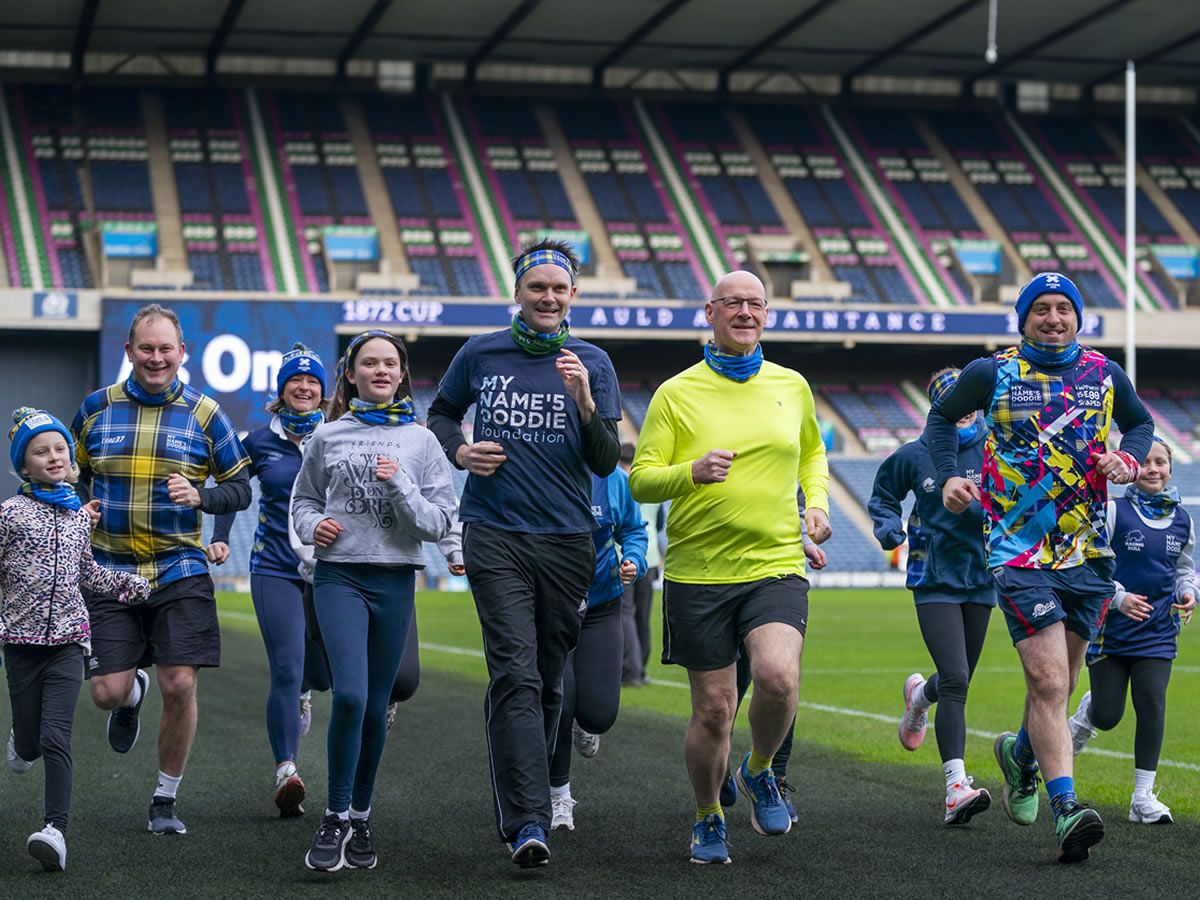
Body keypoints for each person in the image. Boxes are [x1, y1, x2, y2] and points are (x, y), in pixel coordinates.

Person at [926, 272, 1153, 863]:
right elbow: (940, 422)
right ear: (1022, 319)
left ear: (1079, 318)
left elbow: (1142, 423)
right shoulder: (992, 373)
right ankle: (1067, 808)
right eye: (1041, 310)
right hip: (1018, 550)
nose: (1053, 318)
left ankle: (1020, 755)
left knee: (1064, 679)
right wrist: (952, 475)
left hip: (1089, 553)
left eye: (1064, 309)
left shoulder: (1104, 373)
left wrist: (1126, 458)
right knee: (1050, 681)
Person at [426, 238, 622, 867]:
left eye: (559, 288)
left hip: (567, 541)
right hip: (495, 533)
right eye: (537, 286)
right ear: (517, 292)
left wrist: (587, 404)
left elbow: (602, 459)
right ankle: (528, 820)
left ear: (573, 296)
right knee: (514, 670)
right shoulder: (480, 352)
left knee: (547, 680)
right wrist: (460, 451)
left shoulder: (591, 360)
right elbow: (441, 414)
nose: (547, 297)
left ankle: (532, 795)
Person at [629, 270, 831, 865]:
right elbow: (641, 478)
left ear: (766, 314)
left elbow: (813, 453)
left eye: (756, 303)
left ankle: (761, 769)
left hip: (774, 561)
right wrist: (688, 472)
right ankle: (707, 815)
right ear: (710, 312)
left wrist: (815, 504)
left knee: (777, 678)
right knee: (715, 708)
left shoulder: (791, 385)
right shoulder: (676, 393)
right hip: (699, 572)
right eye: (733, 303)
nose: (746, 312)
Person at [72, 303, 252, 836]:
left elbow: (240, 487)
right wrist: (81, 510)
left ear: (182, 353)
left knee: (180, 684)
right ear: (129, 352)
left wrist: (201, 496)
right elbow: (72, 472)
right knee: (105, 692)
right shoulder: (95, 408)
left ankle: (164, 801)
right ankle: (131, 696)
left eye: (165, 349)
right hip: (108, 570)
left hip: (179, 569)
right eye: (145, 349)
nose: (156, 358)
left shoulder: (205, 414)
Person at [291, 330, 458, 873]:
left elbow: (438, 523)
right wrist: (314, 524)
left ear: (402, 374)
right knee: (352, 697)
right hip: (339, 577)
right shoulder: (327, 436)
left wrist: (402, 486)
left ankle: (361, 816)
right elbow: (303, 502)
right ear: (351, 373)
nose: (381, 370)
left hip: (395, 581)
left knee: (376, 705)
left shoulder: (422, 442)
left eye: (390, 363)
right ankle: (334, 815)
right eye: (370, 363)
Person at [3, 408, 150, 871]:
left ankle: (54, 830)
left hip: (69, 641)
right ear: (23, 465)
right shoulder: (8, 515)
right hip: (20, 645)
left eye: (60, 449)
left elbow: (85, 572)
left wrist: (126, 585)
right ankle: (19, 742)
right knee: (29, 743)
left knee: (54, 737)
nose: (52, 457)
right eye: (40, 451)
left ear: (71, 458)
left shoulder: (78, 520)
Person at [868, 368, 995, 826]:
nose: (965, 416)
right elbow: (884, 496)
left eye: (971, 407)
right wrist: (888, 528)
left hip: (982, 578)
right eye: (954, 408)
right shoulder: (914, 455)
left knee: (955, 680)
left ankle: (920, 697)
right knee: (958, 678)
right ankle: (955, 788)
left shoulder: (997, 447)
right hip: (932, 575)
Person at [208, 342, 329, 817]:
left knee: (320, 673)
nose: (304, 387)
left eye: (313, 382)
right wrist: (219, 536)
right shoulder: (257, 441)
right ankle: (286, 770)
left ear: (323, 392)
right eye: (296, 381)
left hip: (332, 570)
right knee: (285, 666)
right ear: (282, 391)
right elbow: (234, 490)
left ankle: (305, 691)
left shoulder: (339, 435)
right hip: (274, 567)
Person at [1068, 438, 1195, 824]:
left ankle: (1142, 797)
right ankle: (1087, 714)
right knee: (1108, 715)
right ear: (1132, 469)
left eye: (1162, 462)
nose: (1154, 469)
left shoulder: (1182, 519)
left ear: (1171, 469)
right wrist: (1119, 599)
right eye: (1146, 462)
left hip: (1158, 631)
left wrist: (1189, 592)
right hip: (1110, 630)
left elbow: (1183, 569)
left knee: (1152, 703)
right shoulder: (1112, 512)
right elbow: (1089, 567)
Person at [720, 488, 827, 826]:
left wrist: (801, 541)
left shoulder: (788, 440)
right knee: (724, 692)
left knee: (781, 678)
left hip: (776, 575)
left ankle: (773, 776)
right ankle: (718, 765)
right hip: (718, 574)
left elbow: (789, 505)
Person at [549, 466, 648, 831]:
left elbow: (634, 530)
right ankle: (559, 795)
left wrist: (634, 560)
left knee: (600, 715)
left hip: (602, 605)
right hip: (551, 607)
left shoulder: (613, 480)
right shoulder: (543, 467)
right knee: (559, 699)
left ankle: (583, 722)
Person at [619, 442, 662, 686]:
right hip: (651, 557)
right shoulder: (649, 484)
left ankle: (630, 670)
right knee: (642, 617)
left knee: (626, 614)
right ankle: (642, 669)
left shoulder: (619, 482)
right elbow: (659, 524)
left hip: (624, 557)